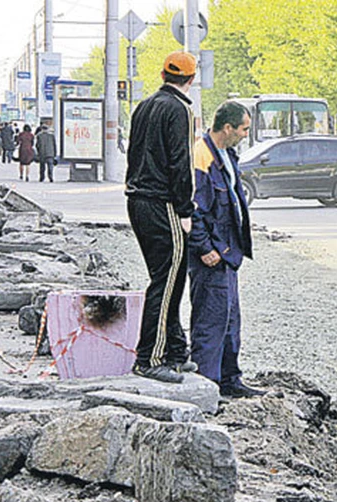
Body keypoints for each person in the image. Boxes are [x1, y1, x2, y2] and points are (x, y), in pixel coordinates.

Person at [125, 51, 199, 383]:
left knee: (168, 277)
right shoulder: (180, 110)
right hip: (162, 202)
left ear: (162, 74)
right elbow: (181, 164)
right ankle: (150, 357)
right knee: (167, 279)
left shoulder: (145, 106)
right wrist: (185, 210)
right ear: (191, 79)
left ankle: (175, 350)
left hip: (138, 198)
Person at [188, 101, 262, 399]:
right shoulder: (201, 155)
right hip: (213, 255)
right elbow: (191, 207)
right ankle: (207, 387)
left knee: (229, 320)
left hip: (227, 253)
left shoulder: (226, 154)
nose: (246, 134)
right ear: (227, 127)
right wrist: (205, 247)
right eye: (244, 128)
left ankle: (230, 379)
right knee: (210, 322)